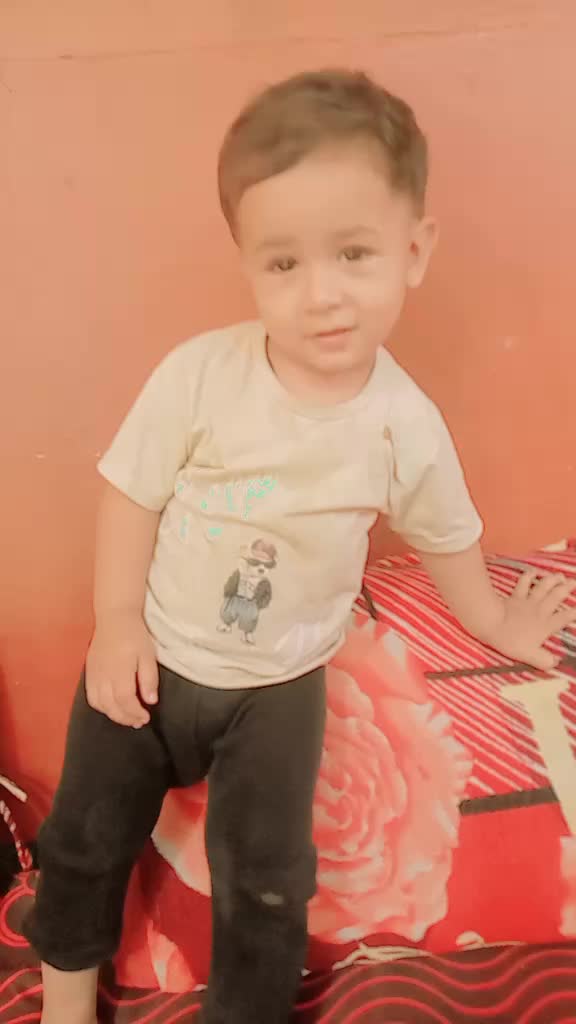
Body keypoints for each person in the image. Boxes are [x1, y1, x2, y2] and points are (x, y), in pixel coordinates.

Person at [24, 68, 575, 1024]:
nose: (322, 296)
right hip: (152, 658)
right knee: (81, 842)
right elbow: (132, 492)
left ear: (414, 251)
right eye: (284, 264)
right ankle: (64, 1008)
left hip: (277, 691)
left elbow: (448, 535)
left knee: (270, 884)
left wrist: (495, 621)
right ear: (247, 263)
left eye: (354, 254)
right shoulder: (202, 376)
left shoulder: (402, 425)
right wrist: (116, 623)